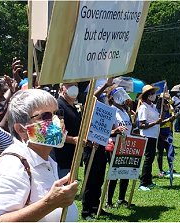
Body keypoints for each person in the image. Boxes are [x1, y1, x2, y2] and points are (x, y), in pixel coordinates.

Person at [0, 89, 78, 221]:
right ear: (21, 129)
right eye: (45, 116)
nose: (55, 121)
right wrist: (49, 203)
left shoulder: (46, 161)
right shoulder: (11, 166)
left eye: (57, 114)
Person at [81, 79, 112, 220]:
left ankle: (96, 206)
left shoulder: (103, 108)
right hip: (90, 147)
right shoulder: (88, 107)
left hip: (101, 146)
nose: (104, 95)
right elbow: (91, 98)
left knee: (99, 179)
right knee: (90, 179)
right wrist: (105, 85)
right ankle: (86, 210)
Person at [105, 87, 134, 208]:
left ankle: (121, 199)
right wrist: (116, 130)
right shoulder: (111, 111)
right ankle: (109, 201)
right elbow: (107, 131)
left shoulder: (125, 110)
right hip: (114, 144)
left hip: (127, 144)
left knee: (126, 172)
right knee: (115, 173)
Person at [54, 82, 82, 178]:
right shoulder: (58, 105)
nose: (74, 88)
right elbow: (55, 133)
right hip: (60, 157)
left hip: (71, 156)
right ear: (62, 88)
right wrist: (73, 140)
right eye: (69, 85)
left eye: (76, 85)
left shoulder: (73, 107)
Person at [137, 85, 162, 191]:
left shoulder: (152, 106)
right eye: (151, 94)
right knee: (148, 159)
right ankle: (143, 183)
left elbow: (156, 122)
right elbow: (141, 125)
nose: (154, 95)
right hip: (147, 135)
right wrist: (155, 122)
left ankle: (148, 180)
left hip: (154, 135)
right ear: (147, 96)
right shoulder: (143, 107)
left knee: (151, 159)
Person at [156, 93, 176, 177]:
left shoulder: (168, 110)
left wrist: (172, 119)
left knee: (170, 153)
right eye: (163, 102)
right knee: (160, 153)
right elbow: (158, 124)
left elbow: (170, 122)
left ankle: (171, 167)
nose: (165, 104)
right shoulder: (157, 111)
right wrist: (161, 135)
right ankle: (160, 170)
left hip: (168, 134)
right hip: (160, 135)